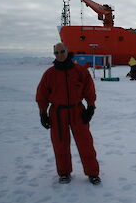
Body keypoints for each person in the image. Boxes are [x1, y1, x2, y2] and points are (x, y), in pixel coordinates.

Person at [36, 43, 101, 185]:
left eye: (62, 51)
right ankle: (64, 173)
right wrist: (43, 113)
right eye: (56, 53)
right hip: (58, 113)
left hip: (77, 110)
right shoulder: (49, 74)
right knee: (60, 144)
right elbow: (42, 95)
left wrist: (91, 107)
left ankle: (92, 173)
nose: (59, 55)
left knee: (86, 143)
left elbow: (89, 90)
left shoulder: (80, 71)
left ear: (67, 51)